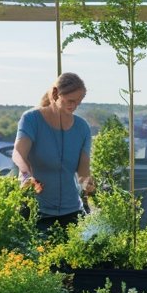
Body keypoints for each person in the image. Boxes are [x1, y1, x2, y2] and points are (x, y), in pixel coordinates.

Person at [13, 72, 95, 231]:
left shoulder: (82, 128)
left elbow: (83, 172)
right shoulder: (31, 119)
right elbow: (18, 153)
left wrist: (88, 184)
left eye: (79, 102)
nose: (75, 106)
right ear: (56, 94)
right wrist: (26, 174)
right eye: (70, 101)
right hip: (36, 211)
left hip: (72, 212)